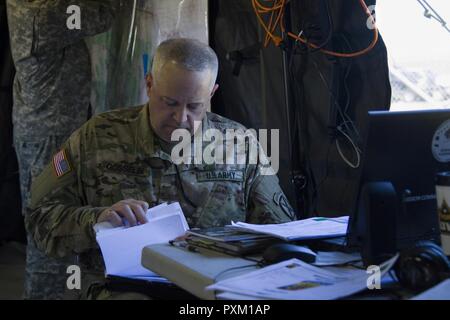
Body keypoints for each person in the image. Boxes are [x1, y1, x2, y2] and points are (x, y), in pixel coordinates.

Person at [26, 38, 296, 299]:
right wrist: (97, 220)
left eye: (194, 106)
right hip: (123, 288)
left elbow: (283, 231)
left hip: (213, 286)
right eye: (170, 103)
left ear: (212, 93)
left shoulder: (240, 145)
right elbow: (40, 220)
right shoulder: (96, 138)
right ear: (149, 84)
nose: (181, 118)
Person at [6, 0, 119, 299]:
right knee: (49, 232)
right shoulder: (47, 12)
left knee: (51, 230)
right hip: (49, 136)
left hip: (46, 130)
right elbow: (103, 14)